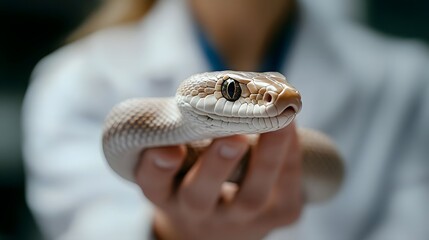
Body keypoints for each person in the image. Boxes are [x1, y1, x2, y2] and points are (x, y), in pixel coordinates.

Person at [23, 0, 429, 239]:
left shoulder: (409, 80)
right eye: (233, 91)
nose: (277, 97)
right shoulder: (76, 78)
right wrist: (167, 234)